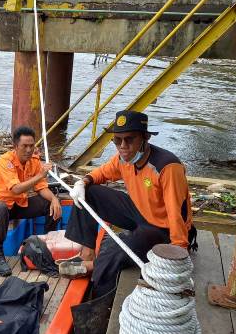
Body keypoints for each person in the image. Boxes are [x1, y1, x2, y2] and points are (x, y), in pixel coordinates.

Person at [65, 110, 197, 297]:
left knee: (117, 248)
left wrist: (179, 254)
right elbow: (101, 173)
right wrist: (83, 182)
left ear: (145, 138)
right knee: (88, 194)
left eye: (129, 139)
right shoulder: (123, 159)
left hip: (162, 228)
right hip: (140, 211)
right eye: (117, 140)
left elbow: (176, 214)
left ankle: (94, 272)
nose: (123, 146)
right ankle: (87, 253)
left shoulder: (167, 167)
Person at [0, 125, 62, 276]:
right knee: (1, 208)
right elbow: (15, 189)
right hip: (0, 204)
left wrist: (54, 199)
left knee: (49, 203)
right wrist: (40, 175)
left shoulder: (34, 161)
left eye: (31, 146)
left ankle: (47, 244)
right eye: (24, 146)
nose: (29, 150)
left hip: (19, 203)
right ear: (15, 146)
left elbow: (41, 187)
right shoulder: (5, 161)